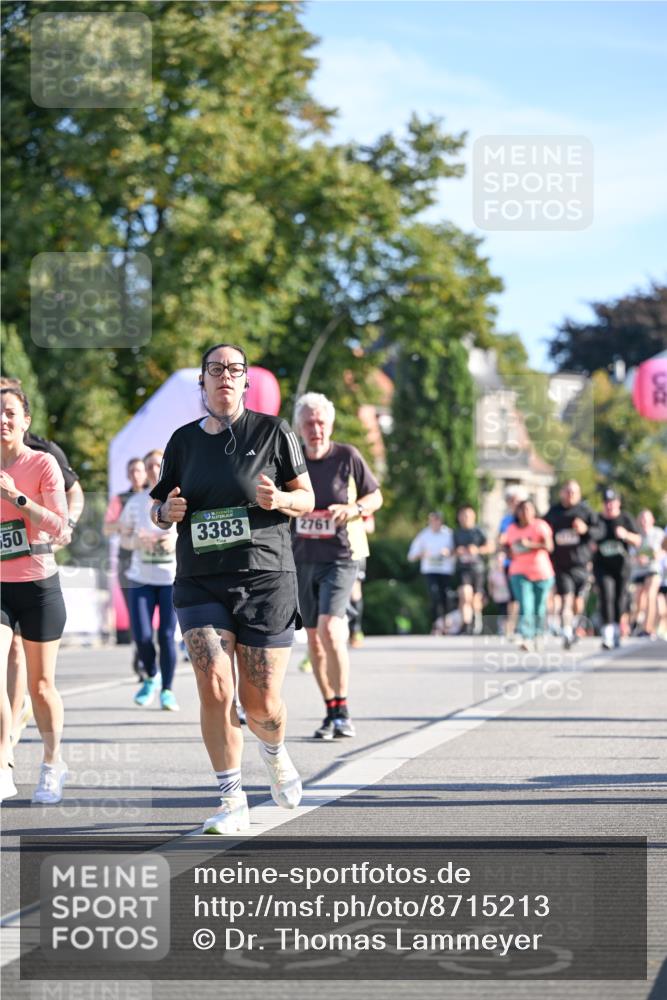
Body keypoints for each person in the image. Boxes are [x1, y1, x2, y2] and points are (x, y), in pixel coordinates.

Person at [149, 344, 314, 834]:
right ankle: (230, 798)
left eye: (234, 370)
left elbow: (307, 497)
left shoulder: (275, 432)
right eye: (215, 369)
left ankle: (275, 751)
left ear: (245, 382)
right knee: (215, 684)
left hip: (265, 576)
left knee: (259, 700)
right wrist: (164, 514)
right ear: (202, 381)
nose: (225, 376)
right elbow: (157, 506)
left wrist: (281, 498)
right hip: (200, 579)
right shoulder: (182, 442)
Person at [293, 392, 383, 740]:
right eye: (309, 423)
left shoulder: (347, 456)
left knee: (331, 629)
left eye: (321, 423)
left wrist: (355, 509)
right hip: (301, 559)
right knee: (314, 641)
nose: (316, 429)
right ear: (300, 427)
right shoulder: (291, 459)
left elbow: (376, 495)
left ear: (329, 425)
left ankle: (343, 710)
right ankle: (330, 709)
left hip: (341, 556)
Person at [0, 376, 84, 750]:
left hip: (37, 584)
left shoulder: (45, 460)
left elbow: (59, 523)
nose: (3, 419)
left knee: (42, 685)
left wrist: (15, 497)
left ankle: (53, 762)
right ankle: (3, 761)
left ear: (25, 420)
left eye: (9, 412)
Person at [120, 450, 179, 710]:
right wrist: (136, 541)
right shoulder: (135, 503)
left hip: (170, 579)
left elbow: (190, 533)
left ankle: (167, 690)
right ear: (144, 471)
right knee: (142, 636)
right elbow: (122, 537)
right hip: (140, 578)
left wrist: (174, 541)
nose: (154, 470)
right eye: (149, 466)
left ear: (164, 467)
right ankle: (152, 677)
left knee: (166, 636)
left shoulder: (177, 498)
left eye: (158, 465)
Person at [544, 480, 602, 649]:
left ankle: (575, 623)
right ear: (562, 493)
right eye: (567, 492)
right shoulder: (554, 512)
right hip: (561, 565)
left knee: (577, 603)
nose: (570, 495)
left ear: (579, 494)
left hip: (581, 564)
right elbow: (542, 529)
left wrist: (585, 530)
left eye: (574, 492)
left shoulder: (585, 512)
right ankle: (567, 632)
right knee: (565, 599)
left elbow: (600, 531)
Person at [104, 457, 147, 677]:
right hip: (127, 560)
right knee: (135, 612)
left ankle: (153, 654)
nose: (136, 474)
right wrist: (126, 523)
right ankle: (141, 658)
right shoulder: (120, 499)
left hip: (153, 560)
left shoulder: (154, 496)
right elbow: (107, 528)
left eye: (139, 470)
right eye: (132, 471)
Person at [593, 489, 641, 650]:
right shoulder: (598, 520)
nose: (609, 505)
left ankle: (617, 630)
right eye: (606, 502)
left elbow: (638, 540)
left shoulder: (625, 518)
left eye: (612, 502)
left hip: (622, 567)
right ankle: (607, 632)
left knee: (620, 599)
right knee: (607, 595)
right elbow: (588, 537)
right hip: (602, 566)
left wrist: (626, 535)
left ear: (618, 503)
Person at [505, 499, 554, 652]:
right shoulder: (512, 528)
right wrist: (509, 551)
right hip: (519, 572)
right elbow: (507, 547)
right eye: (522, 509)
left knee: (539, 606)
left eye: (528, 509)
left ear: (534, 511)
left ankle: (538, 634)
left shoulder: (540, 526)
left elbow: (549, 546)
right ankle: (526, 637)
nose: (525, 512)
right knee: (526, 605)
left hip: (541, 572)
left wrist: (529, 545)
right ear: (518, 512)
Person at [408, 511, 455, 634]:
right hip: (430, 571)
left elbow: (457, 551)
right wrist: (422, 554)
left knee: (446, 596)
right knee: (434, 596)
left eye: (437, 520)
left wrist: (449, 552)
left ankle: (446, 623)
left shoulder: (448, 534)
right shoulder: (424, 535)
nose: (434, 523)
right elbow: (411, 555)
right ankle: (436, 625)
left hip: (445, 571)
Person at [453, 504, 493, 635]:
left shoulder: (479, 531)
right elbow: (450, 551)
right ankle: (466, 624)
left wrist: (477, 550)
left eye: (468, 515)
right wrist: (457, 552)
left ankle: (477, 619)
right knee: (465, 594)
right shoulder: (456, 533)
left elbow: (491, 547)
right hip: (463, 569)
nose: (465, 518)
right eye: (463, 515)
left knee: (476, 598)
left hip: (478, 569)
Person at [630, 509, 664, 639]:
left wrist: (657, 555)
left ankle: (648, 629)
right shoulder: (636, 535)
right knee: (638, 599)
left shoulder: (659, 533)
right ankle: (636, 621)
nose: (644, 522)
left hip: (653, 569)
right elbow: (631, 554)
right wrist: (637, 559)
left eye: (646, 519)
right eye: (642, 519)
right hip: (639, 571)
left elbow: (663, 551)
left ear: (652, 520)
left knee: (651, 595)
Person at [497, 487, 525, 638]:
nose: (514, 504)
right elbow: (501, 540)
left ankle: (526, 626)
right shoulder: (506, 521)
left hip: (528, 564)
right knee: (513, 596)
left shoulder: (529, 520)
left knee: (526, 596)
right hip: (511, 563)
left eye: (517, 501)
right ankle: (511, 627)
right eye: (511, 501)